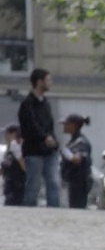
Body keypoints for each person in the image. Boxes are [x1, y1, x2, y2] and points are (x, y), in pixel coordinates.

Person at [18, 67, 60, 207]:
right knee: (34, 184)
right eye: (48, 80)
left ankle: (54, 210)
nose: (50, 83)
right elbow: (31, 125)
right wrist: (44, 137)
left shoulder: (46, 103)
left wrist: (54, 141)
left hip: (49, 151)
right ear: (39, 82)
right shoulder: (27, 104)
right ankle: (29, 210)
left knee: (53, 182)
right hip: (34, 151)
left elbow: (50, 125)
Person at [59, 114, 93, 209]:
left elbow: (77, 159)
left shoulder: (80, 142)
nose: (64, 126)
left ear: (73, 125)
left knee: (77, 210)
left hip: (79, 183)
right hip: (73, 182)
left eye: (66, 124)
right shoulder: (74, 141)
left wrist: (66, 153)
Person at [1, 124, 24, 206]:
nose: (5, 136)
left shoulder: (20, 148)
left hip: (18, 185)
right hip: (8, 185)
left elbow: (25, 168)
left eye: (7, 133)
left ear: (14, 134)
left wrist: (17, 153)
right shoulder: (9, 150)